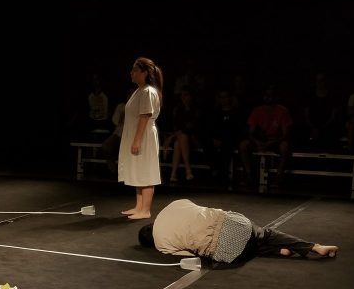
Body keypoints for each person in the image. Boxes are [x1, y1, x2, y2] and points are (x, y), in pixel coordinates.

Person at [138, 198, 338, 263]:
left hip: (231, 252)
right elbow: (197, 208)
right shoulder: (173, 205)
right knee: (265, 233)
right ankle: (314, 246)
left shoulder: (161, 244)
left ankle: (276, 251)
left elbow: (190, 256)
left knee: (240, 249)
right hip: (238, 225)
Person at [118, 57, 164, 220]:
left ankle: (145, 210)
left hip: (144, 137)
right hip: (138, 134)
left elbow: (145, 116)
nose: (131, 73)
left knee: (145, 170)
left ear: (144, 73)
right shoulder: (140, 90)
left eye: (135, 70)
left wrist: (137, 140)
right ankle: (139, 206)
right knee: (138, 169)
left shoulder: (148, 92)